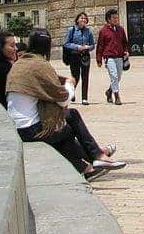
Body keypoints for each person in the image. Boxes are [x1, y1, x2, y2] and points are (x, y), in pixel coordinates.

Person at [6, 28, 124, 181]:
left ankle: (89, 166)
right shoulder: (40, 65)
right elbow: (64, 99)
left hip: (16, 127)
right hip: (29, 130)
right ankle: (97, 155)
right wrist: (69, 83)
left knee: (67, 123)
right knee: (68, 125)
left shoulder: (20, 63)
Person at [96, 9, 129, 105]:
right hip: (109, 57)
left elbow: (125, 42)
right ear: (108, 19)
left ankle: (109, 91)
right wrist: (99, 59)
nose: (116, 19)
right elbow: (100, 46)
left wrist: (126, 51)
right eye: (114, 18)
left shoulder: (120, 29)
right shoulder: (103, 31)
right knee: (114, 76)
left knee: (118, 77)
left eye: (116, 17)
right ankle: (117, 96)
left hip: (119, 56)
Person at [63, 12, 95, 105]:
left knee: (85, 77)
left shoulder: (88, 31)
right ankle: (71, 92)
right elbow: (66, 43)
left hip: (85, 56)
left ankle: (84, 98)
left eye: (85, 18)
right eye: (81, 18)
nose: (84, 20)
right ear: (77, 20)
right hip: (74, 55)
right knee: (75, 76)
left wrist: (88, 47)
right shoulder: (71, 30)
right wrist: (77, 47)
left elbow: (92, 45)